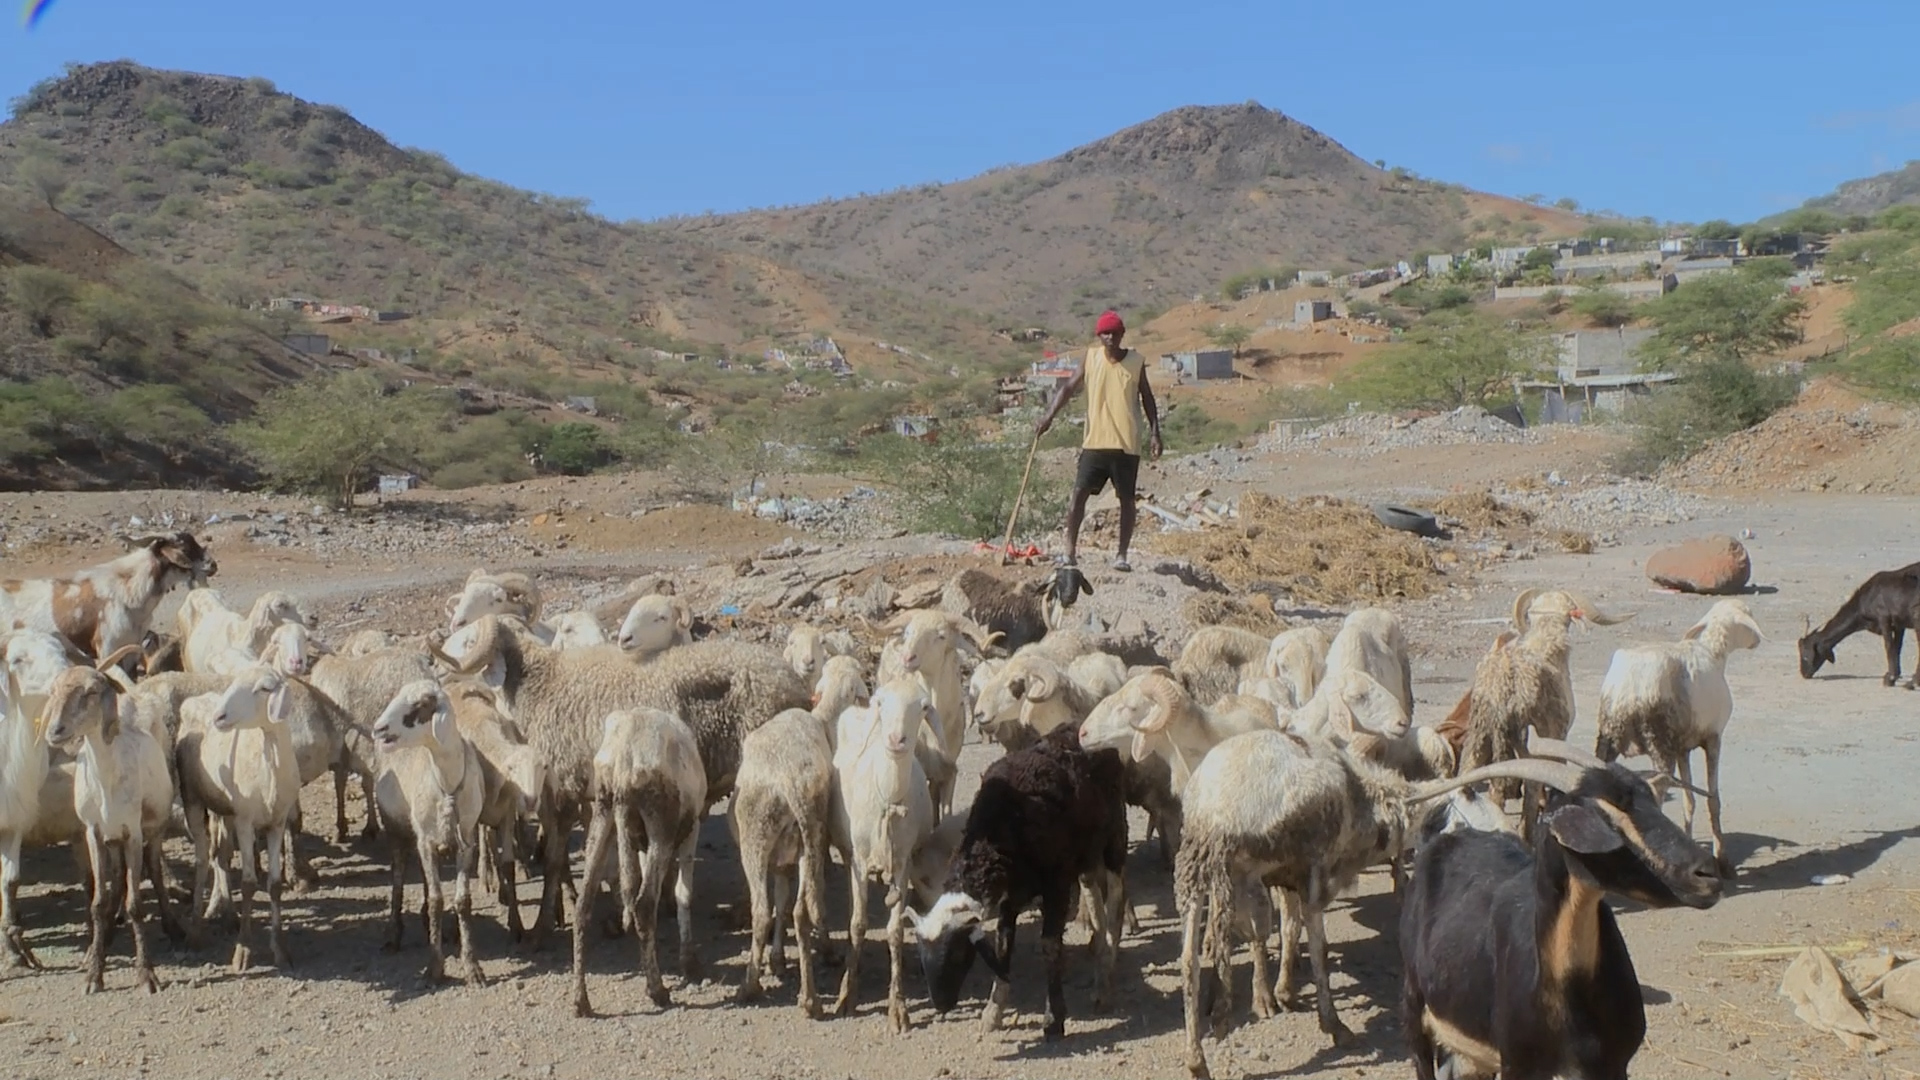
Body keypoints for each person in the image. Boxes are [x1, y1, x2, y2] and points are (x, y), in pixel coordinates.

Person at [1034, 308, 1162, 572]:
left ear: (1122, 334)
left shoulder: (1136, 362)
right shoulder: (1091, 358)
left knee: (1126, 500)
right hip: (1095, 442)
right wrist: (1048, 417)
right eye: (1105, 333)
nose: (1110, 338)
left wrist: (1155, 432)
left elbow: (1147, 398)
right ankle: (1069, 552)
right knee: (1079, 494)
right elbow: (1068, 388)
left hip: (1126, 444)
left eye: (1114, 333)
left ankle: (1121, 556)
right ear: (1099, 336)